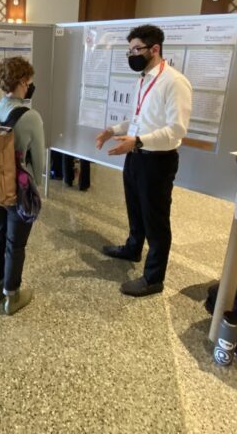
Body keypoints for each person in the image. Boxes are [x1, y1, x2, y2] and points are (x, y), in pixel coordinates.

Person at [95, 24, 192, 297]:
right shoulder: (144, 80)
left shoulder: (174, 82)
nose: (132, 55)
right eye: (129, 50)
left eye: (136, 49)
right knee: (135, 209)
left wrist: (137, 141)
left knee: (156, 221)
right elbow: (140, 120)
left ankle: (153, 278)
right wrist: (113, 131)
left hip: (157, 161)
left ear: (155, 49)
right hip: (136, 156)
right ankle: (133, 248)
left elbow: (177, 130)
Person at [0, 57, 45, 315]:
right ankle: (12, 296)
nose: (30, 86)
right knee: (15, 243)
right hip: (19, 188)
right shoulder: (30, 116)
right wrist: (37, 187)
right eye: (29, 82)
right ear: (22, 82)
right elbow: (39, 160)